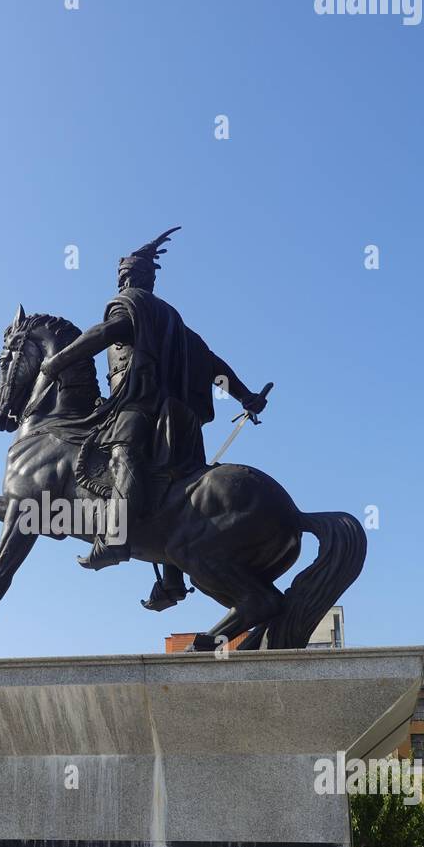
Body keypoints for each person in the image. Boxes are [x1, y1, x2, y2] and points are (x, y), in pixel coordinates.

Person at [38, 228, 268, 600]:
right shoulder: (175, 323)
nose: (120, 281)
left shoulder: (131, 305)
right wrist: (246, 397)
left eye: (122, 277)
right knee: (178, 492)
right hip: (183, 424)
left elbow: (104, 333)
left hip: (142, 407)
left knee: (122, 457)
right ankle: (173, 579)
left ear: (130, 279)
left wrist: (56, 363)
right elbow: (213, 364)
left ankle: (114, 538)